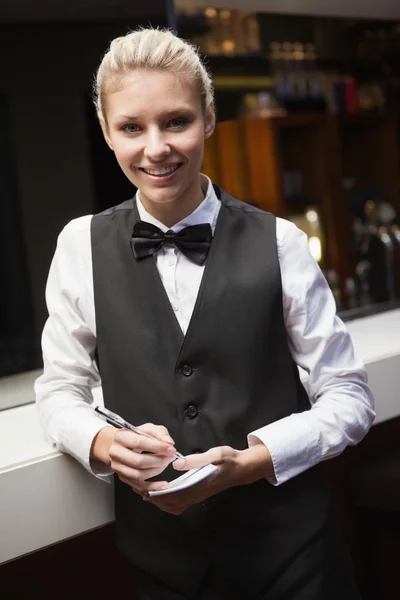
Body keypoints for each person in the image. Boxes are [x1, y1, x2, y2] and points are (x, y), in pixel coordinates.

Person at [35, 27, 375, 600]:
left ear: (209, 117)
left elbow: (348, 395)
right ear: (107, 134)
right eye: (131, 128)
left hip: (294, 559)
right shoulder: (78, 246)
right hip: (164, 567)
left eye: (176, 121)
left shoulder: (280, 242)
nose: (156, 148)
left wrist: (250, 462)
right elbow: (60, 388)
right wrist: (102, 442)